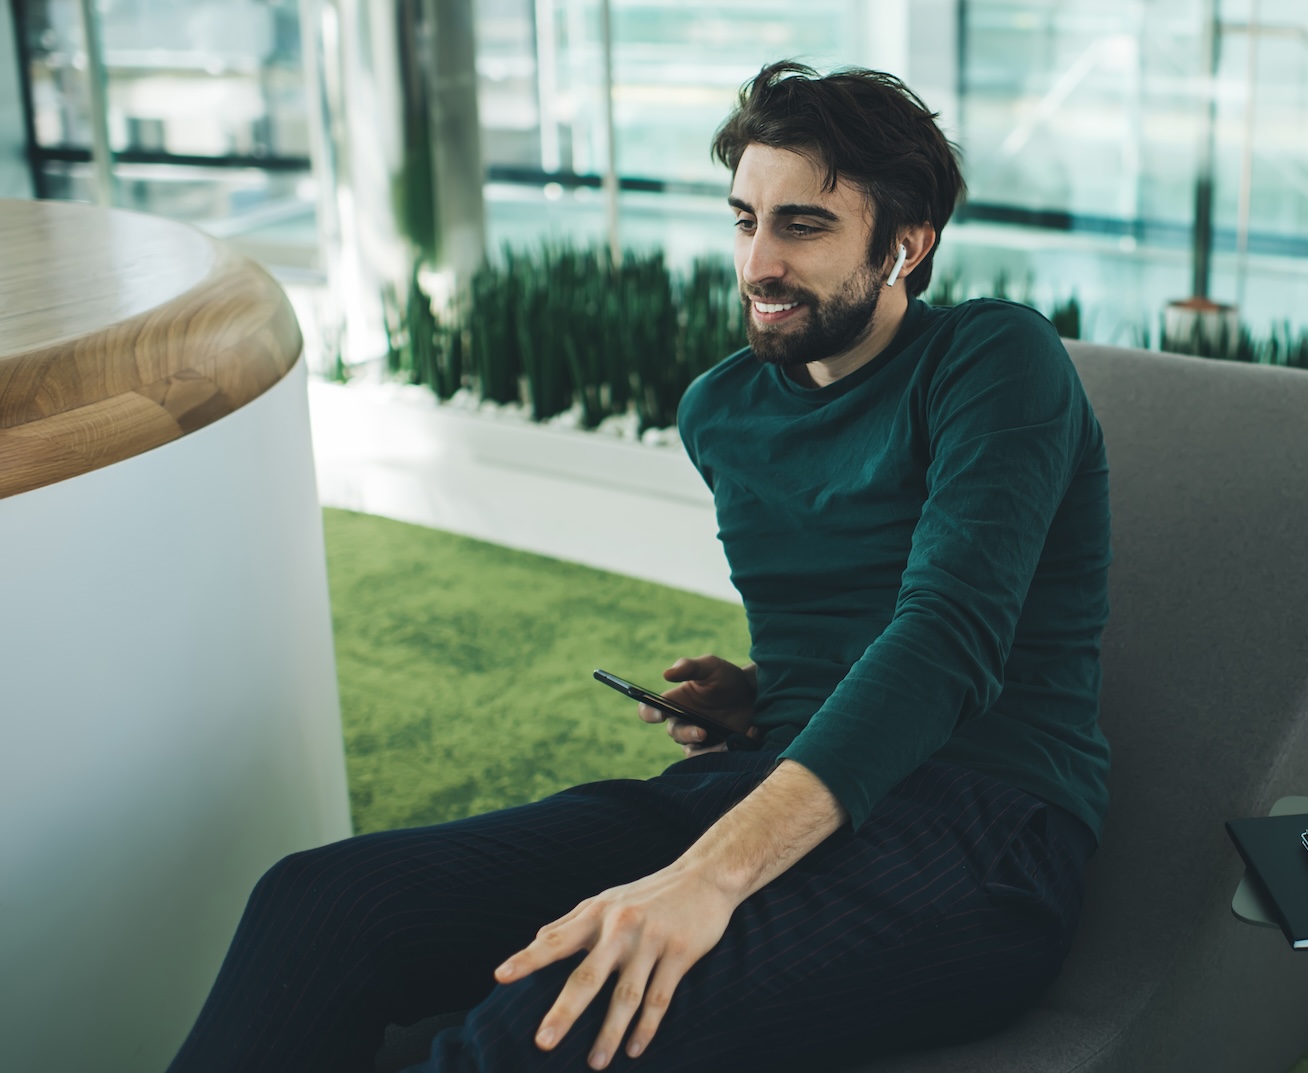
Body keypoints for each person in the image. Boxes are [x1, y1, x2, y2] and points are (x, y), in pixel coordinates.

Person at [166, 60, 1112, 1073]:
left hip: (982, 830)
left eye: (803, 226)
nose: (758, 261)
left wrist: (705, 876)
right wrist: (762, 695)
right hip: (768, 782)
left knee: (538, 1034)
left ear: (904, 245)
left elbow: (945, 637)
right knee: (319, 903)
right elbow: (847, 613)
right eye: (743, 218)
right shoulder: (721, 411)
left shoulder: (991, 357)